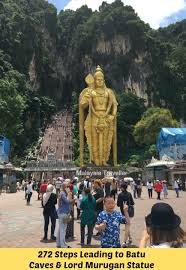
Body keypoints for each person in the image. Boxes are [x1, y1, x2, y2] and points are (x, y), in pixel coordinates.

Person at [56, 183, 74, 248]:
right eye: (67, 187)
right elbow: (67, 201)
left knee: (60, 229)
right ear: (64, 187)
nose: (68, 188)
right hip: (63, 213)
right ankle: (63, 245)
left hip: (61, 212)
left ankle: (59, 243)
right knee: (63, 229)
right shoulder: (63, 193)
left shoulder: (62, 193)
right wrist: (71, 197)